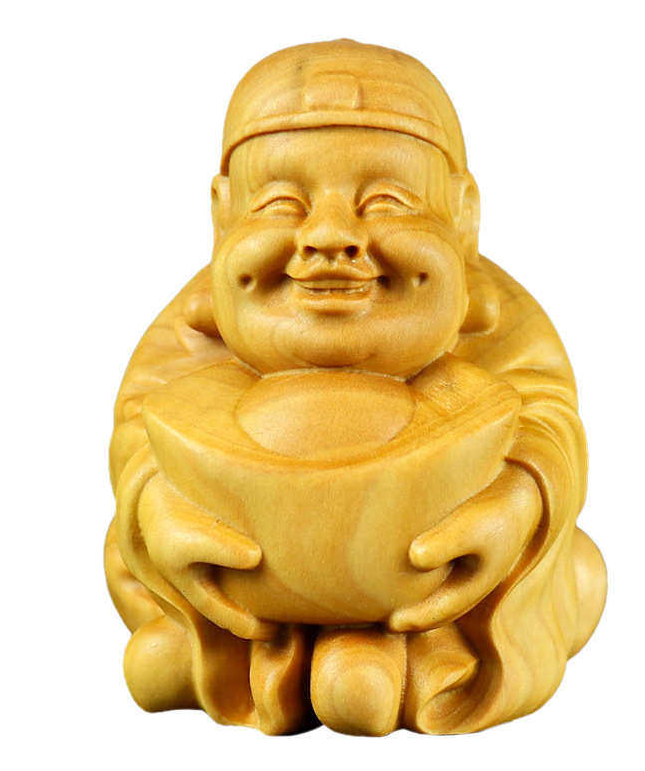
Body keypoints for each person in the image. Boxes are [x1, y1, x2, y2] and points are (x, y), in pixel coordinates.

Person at [105, 39, 606, 735]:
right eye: (281, 201)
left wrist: (522, 497)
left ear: (462, 217)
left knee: (578, 574)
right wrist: (154, 505)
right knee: (132, 556)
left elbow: (548, 417)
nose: (330, 236)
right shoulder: (201, 321)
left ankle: (421, 659)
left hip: (425, 586)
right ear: (223, 217)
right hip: (249, 587)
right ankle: (237, 654)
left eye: (387, 202)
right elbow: (140, 428)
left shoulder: (493, 315)